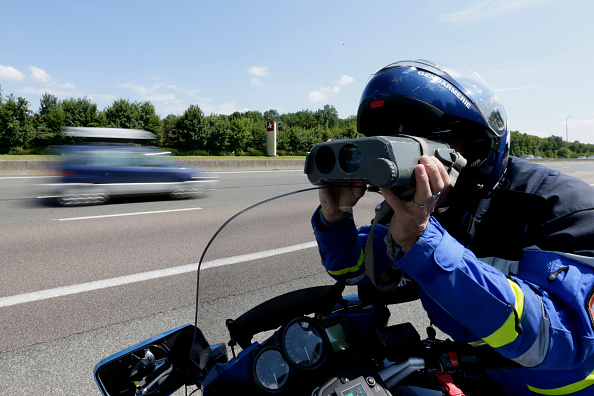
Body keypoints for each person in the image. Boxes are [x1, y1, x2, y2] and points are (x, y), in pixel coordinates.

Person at [312, 59, 594, 395]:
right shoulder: (413, 212)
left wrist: (425, 245)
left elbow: (564, 341)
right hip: (489, 375)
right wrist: (335, 219)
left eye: (416, 148)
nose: (412, 170)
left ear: (476, 146)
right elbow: (356, 271)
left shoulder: (559, 205)